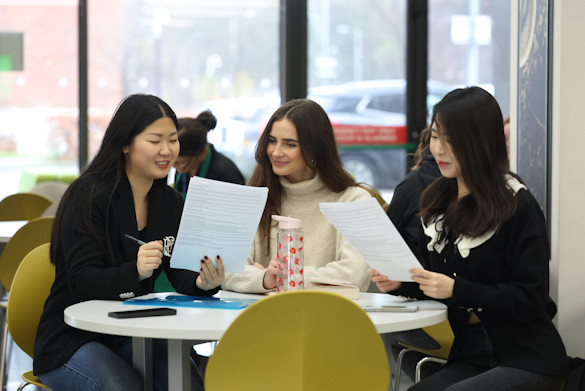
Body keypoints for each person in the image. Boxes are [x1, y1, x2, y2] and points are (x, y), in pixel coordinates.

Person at [370, 86, 567, 391]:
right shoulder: (435, 200)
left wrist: (457, 289)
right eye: (435, 136)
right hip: (470, 353)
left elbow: (531, 297)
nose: (439, 150)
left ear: (481, 142)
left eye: (451, 140)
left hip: (526, 357)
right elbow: (437, 284)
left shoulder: (516, 202)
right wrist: (401, 284)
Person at [34, 94, 225, 391]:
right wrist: (133, 271)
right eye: (154, 140)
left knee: (182, 378)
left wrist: (203, 281)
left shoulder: (170, 202)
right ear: (125, 144)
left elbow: (180, 275)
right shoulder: (87, 196)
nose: (167, 150)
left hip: (133, 331)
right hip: (72, 338)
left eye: (173, 140)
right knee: (121, 386)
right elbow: (81, 282)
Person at [221, 98, 373, 293]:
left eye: (289, 144)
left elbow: (353, 276)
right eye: (272, 141)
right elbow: (227, 271)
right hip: (264, 318)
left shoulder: (354, 201)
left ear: (315, 149)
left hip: (332, 318)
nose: (276, 152)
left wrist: (283, 277)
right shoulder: (256, 198)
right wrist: (266, 279)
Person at [173, 110, 245, 198]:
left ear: (203, 153)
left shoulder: (227, 175)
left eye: (179, 163)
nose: (174, 167)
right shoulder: (183, 168)